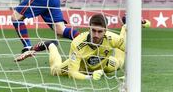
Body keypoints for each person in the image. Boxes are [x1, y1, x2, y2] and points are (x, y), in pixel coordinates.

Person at [17, 14, 150, 80]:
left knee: (119, 63)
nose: (96, 35)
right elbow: (72, 73)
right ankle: (51, 45)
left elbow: (132, 51)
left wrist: (130, 74)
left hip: (103, 65)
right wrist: (89, 77)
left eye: (100, 31)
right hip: (80, 66)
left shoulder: (111, 38)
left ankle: (125, 26)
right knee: (55, 70)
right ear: (89, 29)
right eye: (93, 31)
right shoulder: (77, 43)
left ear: (105, 30)